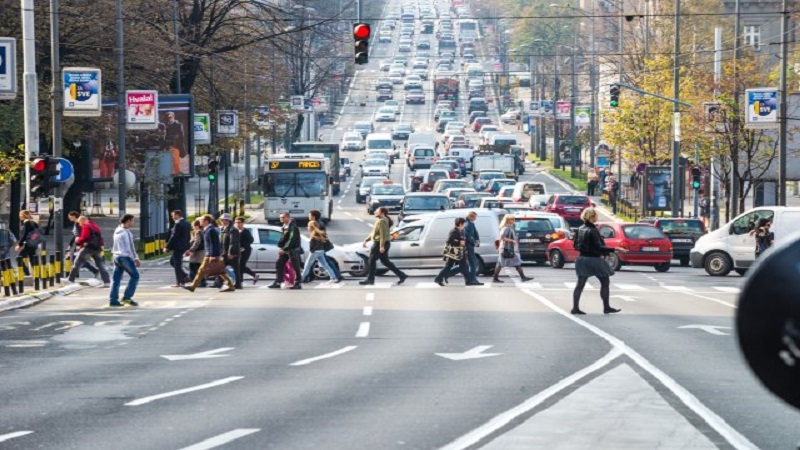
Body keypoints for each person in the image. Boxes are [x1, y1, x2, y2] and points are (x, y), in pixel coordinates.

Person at [571, 208, 621, 315]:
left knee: (580, 284)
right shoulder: (593, 230)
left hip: (582, 259)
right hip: (594, 259)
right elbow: (599, 247)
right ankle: (606, 307)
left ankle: (575, 308)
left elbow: (575, 245)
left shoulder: (580, 229)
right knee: (605, 282)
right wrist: (615, 249)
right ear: (593, 217)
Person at [184, 214, 235, 292]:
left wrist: (213, 255)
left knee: (205, 270)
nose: (200, 222)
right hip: (209, 254)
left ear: (206, 221)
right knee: (219, 271)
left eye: (201, 220)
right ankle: (230, 285)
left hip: (211, 255)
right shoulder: (207, 229)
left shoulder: (210, 230)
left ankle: (193, 286)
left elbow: (214, 243)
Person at [360, 207, 408, 286]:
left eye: (377, 211)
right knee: (385, 261)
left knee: (371, 261)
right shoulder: (384, 220)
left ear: (382, 213)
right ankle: (401, 275)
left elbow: (382, 235)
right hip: (385, 243)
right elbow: (374, 233)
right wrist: (366, 240)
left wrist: (381, 246)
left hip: (379, 243)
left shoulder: (381, 221)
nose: (375, 212)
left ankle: (370, 279)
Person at [435, 217, 483, 286]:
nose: (464, 226)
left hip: (460, 252)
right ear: (460, 224)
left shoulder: (461, 231)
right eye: (463, 224)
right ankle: (439, 278)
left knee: (464, 266)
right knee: (449, 266)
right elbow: (449, 240)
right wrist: (459, 242)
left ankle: (468, 281)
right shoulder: (454, 231)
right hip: (454, 253)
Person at [67, 216, 111, 286]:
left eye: (80, 223)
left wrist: (77, 239)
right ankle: (107, 282)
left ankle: (70, 280)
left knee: (77, 263)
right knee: (100, 265)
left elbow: (84, 237)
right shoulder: (95, 226)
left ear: (83, 220)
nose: (80, 225)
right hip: (96, 248)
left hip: (88, 247)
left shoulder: (86, 226)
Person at [300, 213, 343, 284]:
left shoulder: (314, 234)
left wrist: (312, 250)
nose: (307, 228)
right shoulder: (319, 233)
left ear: (312, 227)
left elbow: (312, 245)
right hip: (321, 251)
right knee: (325, 265)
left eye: (308, 226)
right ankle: (333, 277)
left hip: (315, 252)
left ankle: (302, 278)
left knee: (307, 265)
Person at [109, 214, 140, 307]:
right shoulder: (126, 233)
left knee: (116, 279)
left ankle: (113, 300)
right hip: (124, 257)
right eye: (133, 220)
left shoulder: (117, 230)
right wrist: (135, 258)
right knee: (135, 276)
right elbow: (129, 247)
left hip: (116, 257)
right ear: (128, 221)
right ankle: (127, 297)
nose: (134, 222)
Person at [493, 214, 533, 283]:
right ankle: (523, 277)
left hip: (507, 248)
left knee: (501, 264)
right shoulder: (506, 228)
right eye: (512, 219)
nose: (514, 220)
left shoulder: (510, 227)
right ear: (508, 220)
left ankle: (495, 278)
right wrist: (512, 241)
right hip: (507, 248)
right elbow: (502, 237)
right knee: (516, 262)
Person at [268, 212, 304, 289]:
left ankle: (298, 283)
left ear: (288, 217)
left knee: (296, 267)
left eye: (283, 217)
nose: (281, 219)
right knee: (279, 264)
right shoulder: (285, 226)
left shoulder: (292, 227)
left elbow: (292, 239)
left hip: (292, 250)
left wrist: (284, 249)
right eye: (280, 217)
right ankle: (278, 281)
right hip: (286, 249)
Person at [68, 211, 99, 277]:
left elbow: (80, 235)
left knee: (77, 259)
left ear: (74, 216)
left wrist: (79, 244)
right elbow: (75, 235)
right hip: (79, 243)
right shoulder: (76, 223)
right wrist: (70, 244)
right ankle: (77, 274)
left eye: (70, 217)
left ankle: (93, 270)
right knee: (77, 259)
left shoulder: (78, 224)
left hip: (81, 244)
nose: (69, 218)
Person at [165, 210, 191, 287]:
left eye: (173, 215)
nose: (172, 217)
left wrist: (167, 247)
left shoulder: (178, 224)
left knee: (177, 264)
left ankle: (179, 281)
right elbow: (188, 236)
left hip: (177, 247)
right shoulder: (187, 223)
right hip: (183, 246)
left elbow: (174, 237)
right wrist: (187, 247)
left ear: (178, 215)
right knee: (173, 262)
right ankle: (184, 276)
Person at [16, 210, 42, 276]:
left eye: (20, 214)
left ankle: (26, 272)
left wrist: (19, 245)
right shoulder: (33, 222)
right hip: (34, 243)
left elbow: (25, 234)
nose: (19, 216)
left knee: (18, 258)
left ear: (23, 215)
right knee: (32, 259)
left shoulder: (26, 223)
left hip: (29, 244)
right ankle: (38, 274)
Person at [219, 213, 242, 289]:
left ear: (227, 220)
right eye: (221, 220)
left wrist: (231, 253)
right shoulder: (223, 229)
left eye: (223, 220)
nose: (221, 221)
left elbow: (233, 242)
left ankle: (238, 284)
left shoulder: (233, 230)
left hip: (232, 254)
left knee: (236, 269)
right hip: (224, 253)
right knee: (220, 268)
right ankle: (220, 282)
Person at [235, 217, 259, 284]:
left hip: (245, 251)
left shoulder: (245, 231)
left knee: (241, 265)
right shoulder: (235, 231)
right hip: (238, 250)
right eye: (236, 222)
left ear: (242, 223)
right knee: (239, 265)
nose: (237, 224)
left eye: (239, 222)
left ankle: (253, 275)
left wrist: (244, 247)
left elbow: (251, 240)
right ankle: (240, 280)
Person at [185, 219, 207, 288]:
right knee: (198, 268)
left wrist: (191, 250)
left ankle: (201, 281)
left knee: (193, 267)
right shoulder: (202, 231)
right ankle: (201, 281)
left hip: (197, 253)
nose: (192, 227)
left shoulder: (198, 232)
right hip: (201, 252)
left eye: (193, 226)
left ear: (197, 226)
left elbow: (197, 242)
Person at [464, 211, 482, 282]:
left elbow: (475, 233)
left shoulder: (471, 223)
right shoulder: (467, 224)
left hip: (470, 246)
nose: (475, 219)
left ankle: (471, 279)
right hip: (468, 246)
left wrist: (477, 240)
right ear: (470, 216)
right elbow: (468, 236)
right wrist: (475, 242)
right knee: (473, 263)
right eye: (474, 217)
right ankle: (472, 279)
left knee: (472, 263)